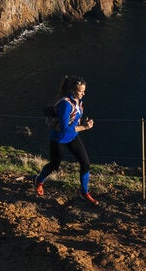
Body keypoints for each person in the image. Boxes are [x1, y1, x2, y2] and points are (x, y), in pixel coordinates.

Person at [34, 75, 98, 205]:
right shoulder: (65, 104)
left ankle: (84, 192)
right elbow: (63, 129)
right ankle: (38, 181)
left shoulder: (78, 101)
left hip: (72, 137)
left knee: (85, 163)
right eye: (81, 91)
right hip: (58, 139)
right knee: (54, 165)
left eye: (84, 91)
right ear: (73, 91)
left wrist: (82, 122)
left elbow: (73, 119)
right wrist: (84, 127)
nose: (83, 94)